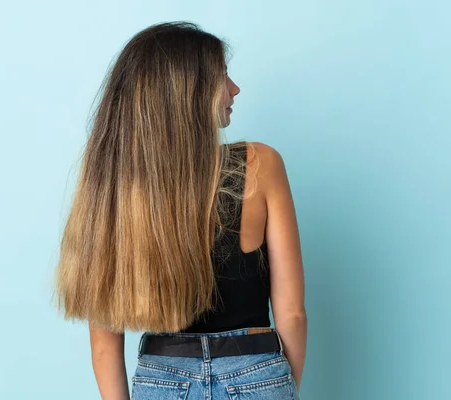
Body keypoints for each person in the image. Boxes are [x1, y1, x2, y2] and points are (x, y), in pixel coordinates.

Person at [53, 21, 307, 399]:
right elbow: (292, 314)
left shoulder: (116, 192)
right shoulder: (259, 164)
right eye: (223, 76)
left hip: (162, 379)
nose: (234, 89)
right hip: (255, 372)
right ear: (190, 93)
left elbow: (105, 343)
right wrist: (280, 389)